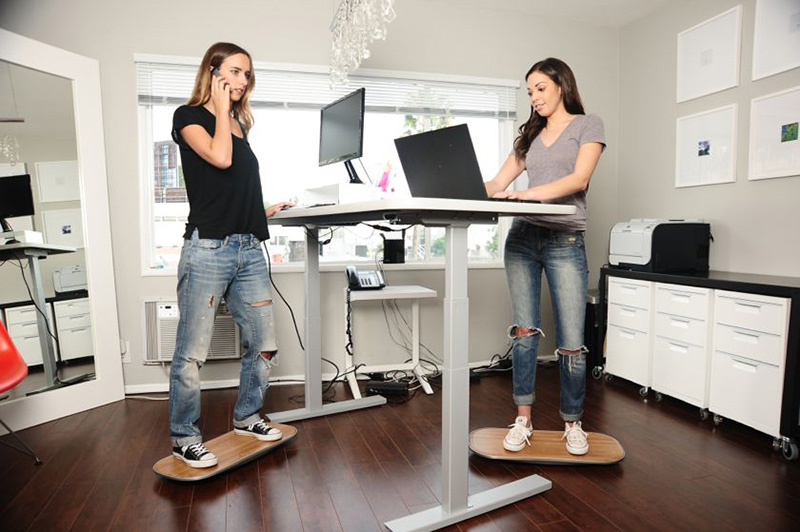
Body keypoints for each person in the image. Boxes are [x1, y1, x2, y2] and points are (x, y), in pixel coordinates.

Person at [168, 42, 293, 468]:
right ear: (214, 70)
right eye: (236, 72)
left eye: (247, 75)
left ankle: (247, 417)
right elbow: (219, 159)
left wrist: (262, 210)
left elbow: (229, 187)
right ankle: (185, 437)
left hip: (248, 248)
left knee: (264, 344)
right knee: (191, 354)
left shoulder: (239, 125)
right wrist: (221, 110)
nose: (242, 82)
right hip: (208, 250)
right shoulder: (189, 118)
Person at [485, 58, 606, 456]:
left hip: (565, 242)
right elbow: (497, 183)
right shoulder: (528, 137)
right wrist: (456, 185)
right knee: (524, 332)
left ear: (560, 85)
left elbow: (579, 180)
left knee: (571, 341)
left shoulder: (588, 125)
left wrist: (524, 194)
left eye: (540, 88)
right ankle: (523, 418)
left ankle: (573, 422)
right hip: (522, 238)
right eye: (529, 92)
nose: (534, 97)